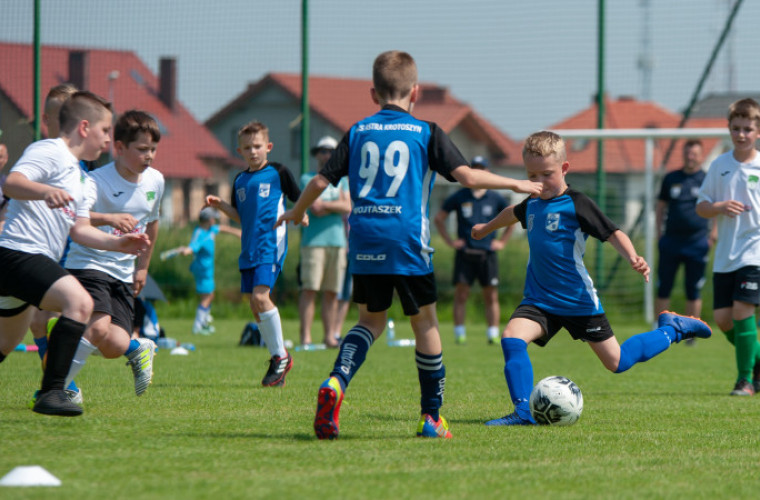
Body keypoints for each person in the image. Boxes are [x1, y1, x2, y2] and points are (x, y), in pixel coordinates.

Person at [276, 50, 542, 440]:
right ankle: (431, 417)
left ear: (373, 94)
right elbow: (467, 177)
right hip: (407, 243)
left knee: (369, 321)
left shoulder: (358, 131)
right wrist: (516, 184)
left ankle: (336, 382)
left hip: (364, 239)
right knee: (426, 324)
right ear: (415, 92)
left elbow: (320, 182)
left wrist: (297, 211)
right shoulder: (426, 132)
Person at [471, 130, 712, 426]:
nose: (537, 182)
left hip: (577, 300)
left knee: (617, 362)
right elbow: (512, 212)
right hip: (539, 298)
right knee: (511, 338)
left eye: (546, 174)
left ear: (564, 168)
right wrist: (485, 228)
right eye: (531, 175)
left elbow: (613, 232)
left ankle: (672, 329)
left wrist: (633, 257)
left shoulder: (577, 203)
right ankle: (523, 412)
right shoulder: (532, 202)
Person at [0, 91, 149, 416]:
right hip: (16, 254)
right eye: (106, 130)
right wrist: (45, 191)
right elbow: (12, 183)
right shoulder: (49, 150)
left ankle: (53, 390)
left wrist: (118, 244)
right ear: (84, 127)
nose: (109, 139)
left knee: (4, 345)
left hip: (27, 267)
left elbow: (80, 230)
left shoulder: (83, 179)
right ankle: (53, 393)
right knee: (80, 303)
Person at [62, 110, 164, 399]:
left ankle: (137, 348)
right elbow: (76, 218)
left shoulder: (155, 181)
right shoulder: (95, 181)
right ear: (119, 148)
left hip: (122, 271)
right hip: (89, 262)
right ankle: (56, 388)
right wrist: (109, 218)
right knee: (96, 327)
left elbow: (153, 224)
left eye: (153, 149)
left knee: (115, 344)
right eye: (142, 149)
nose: (150, 156)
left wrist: (142, 268)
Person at [206, 121, 302, 387]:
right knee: (254, 303)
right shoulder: (239, 180)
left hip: (270, 245)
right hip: (248, 248)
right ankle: (277, 361)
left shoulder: (278, 172)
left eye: (258, 146)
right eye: (247, 147)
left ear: (268, 147)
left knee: (261, 297)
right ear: (239, 151)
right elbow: (241, 216)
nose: (253, 151)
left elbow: (299, 198)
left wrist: (300, 215)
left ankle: (282, 356)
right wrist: (221, 205)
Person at [696, 97, 760, 396]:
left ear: (757, 131)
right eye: (736, 128)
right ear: (729, 129)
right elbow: (702, 207)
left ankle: (745, 380)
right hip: (726, 256)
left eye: (748, 128)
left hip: (754, 251)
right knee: (722, 320)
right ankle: (756, 363)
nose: (742, 134)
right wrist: (719, 206)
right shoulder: (720, 165)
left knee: (741, 311)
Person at [434, 155, 512, 345]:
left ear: (487, 172)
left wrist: (502, 242)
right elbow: (439, 218)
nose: (478, 171)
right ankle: (459, 333)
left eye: (481, 168)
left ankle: (492, 333)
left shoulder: (495, 197)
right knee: (461, 294)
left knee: (490, 294)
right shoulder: (460, 196)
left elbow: (512, 218)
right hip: (465, 253)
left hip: (488, 253)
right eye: (474, 168)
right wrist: (451, 242)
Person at [655, 139, 716, 326]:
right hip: (671, 241)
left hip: (697, 242)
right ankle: (661, 329)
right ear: (683, 154)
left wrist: (713, 234)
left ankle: (692, 332)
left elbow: (715, 208)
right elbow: (660, 207)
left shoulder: (707, 179)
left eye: (694, 154)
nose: (691, 157)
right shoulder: (671, 178)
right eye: (688, 153)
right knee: (663, 287)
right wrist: (659, 234)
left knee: (693, 289)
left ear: (700, 156)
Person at [298, 135, 351, 348]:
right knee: (309, 290)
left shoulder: (343, 180)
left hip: (338, 243)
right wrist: (335, 203)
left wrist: (329, 205)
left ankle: (329, 337)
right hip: (313, 242)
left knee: (332, 292)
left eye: (331, 150)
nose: (327, 154)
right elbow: (315, 207)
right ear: (317, 154)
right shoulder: (307, 178)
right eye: (323, 150)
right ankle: (306, 337)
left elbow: (347, 207)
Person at [174, 206, 241, 335]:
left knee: (210, 295)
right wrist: (185, 251)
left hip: (208, 270)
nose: (215, 221)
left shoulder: (211, 230)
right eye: (213, 219)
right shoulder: (200, 233)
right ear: (209, 219)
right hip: (202, 270)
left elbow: (223, 228)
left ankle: (203, 324)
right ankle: (197, 326)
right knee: (207, 297)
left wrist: (238, 233)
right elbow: (192, 247)